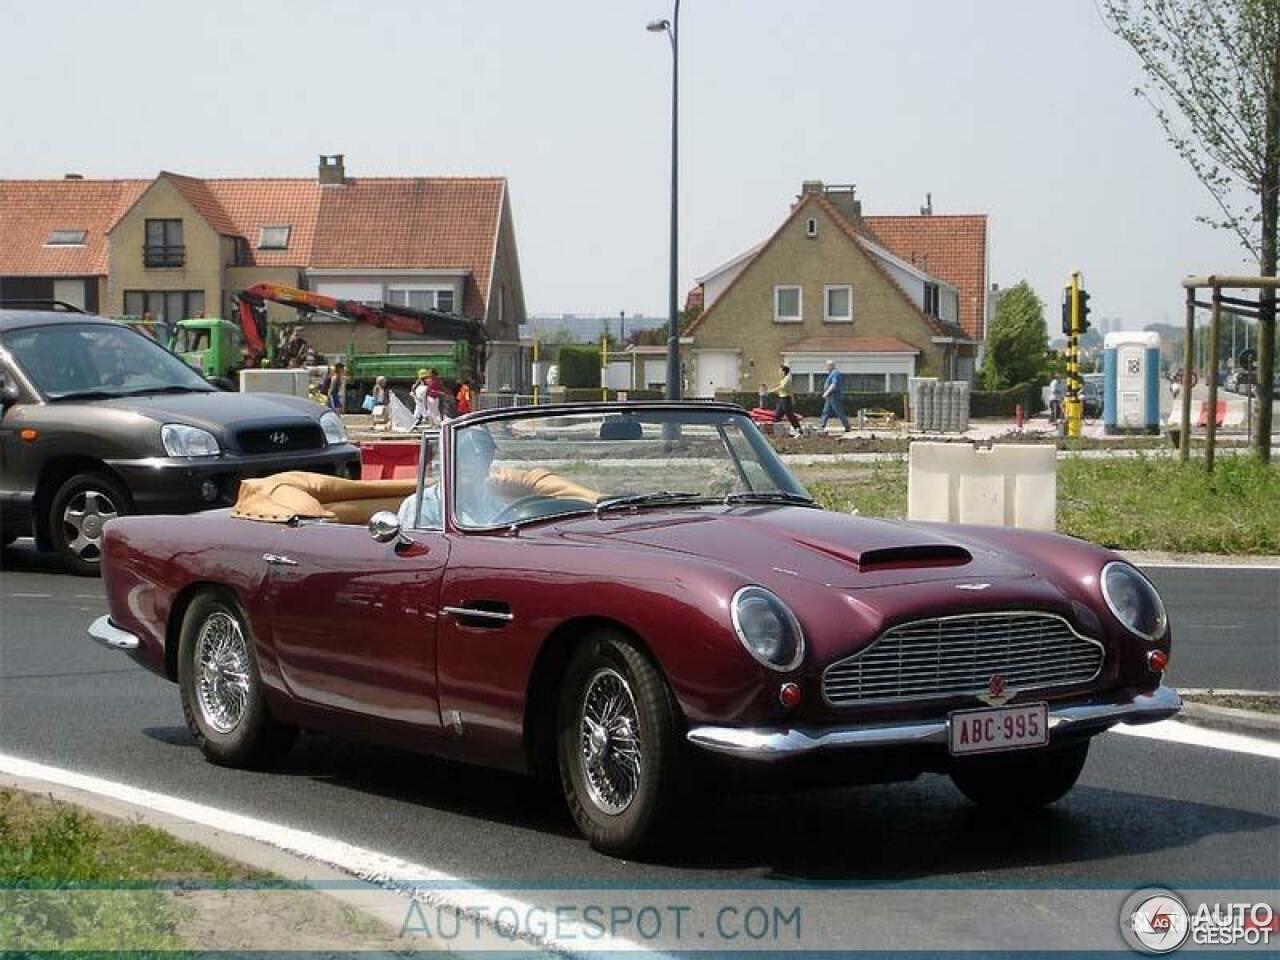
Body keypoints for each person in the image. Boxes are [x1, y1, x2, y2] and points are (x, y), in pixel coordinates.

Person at [398, 427, 598, 529]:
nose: (475, 463)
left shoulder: (495, 503)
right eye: (465, 454)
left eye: (484, 455)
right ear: (447, 460)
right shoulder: (421, 507)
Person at [819, 360, 850, 432]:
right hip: (830, 396)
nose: (826, 367)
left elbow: (833, 384)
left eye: (827, 366)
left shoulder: (835, 373)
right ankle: (821, 425)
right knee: (825, 411)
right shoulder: (832, 374)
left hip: (834, 396)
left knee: (839, 411)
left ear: (831, 366)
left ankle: (847, 426)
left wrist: (826, 392)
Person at [773, 364, 803, 436]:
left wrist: (771, 390)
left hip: (785, 400)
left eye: (780, 370)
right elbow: (784, 390)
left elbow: (782, 387)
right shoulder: (783, 379)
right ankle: (777, 432)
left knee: (790, 416)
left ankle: (798, 429)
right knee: (777, 416)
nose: (779, 372)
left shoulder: (787, 379)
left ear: (783, 372)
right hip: (781, 399)